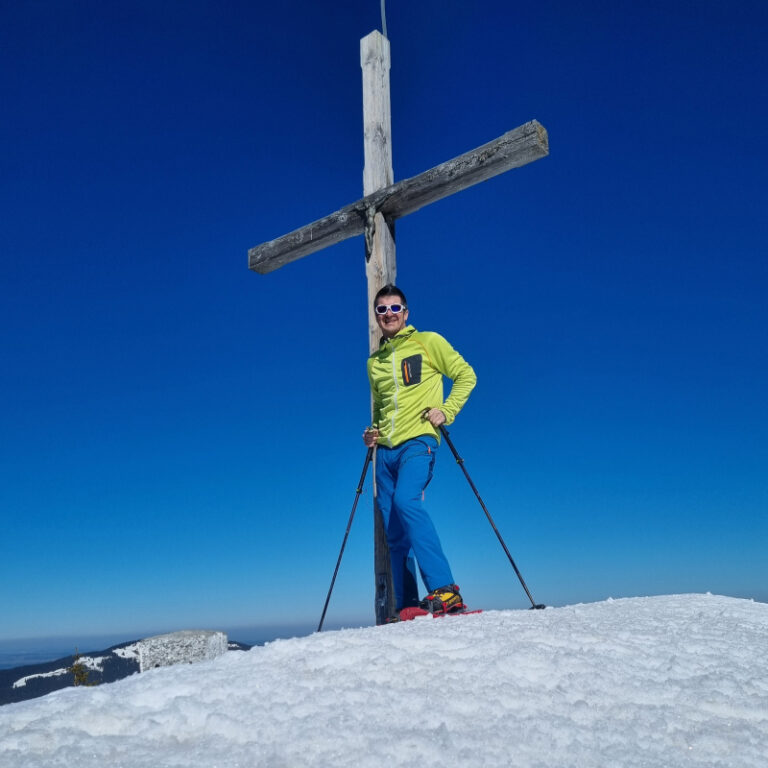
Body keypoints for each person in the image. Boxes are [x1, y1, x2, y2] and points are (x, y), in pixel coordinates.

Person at [363, 284, 477, 618]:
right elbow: (381, 409)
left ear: (406, 312)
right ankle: (407, 605)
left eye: (394, 308)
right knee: (394, 532)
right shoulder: (374, 363)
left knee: (406, 501)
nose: (388, 315)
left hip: (419, 441)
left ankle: (446, 591)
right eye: (381, 310)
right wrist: (371, 432)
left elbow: (465, 375)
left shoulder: (428, 342)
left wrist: (447, 410)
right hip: (385, 453)